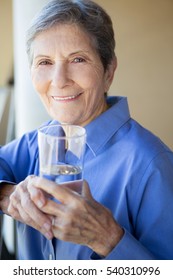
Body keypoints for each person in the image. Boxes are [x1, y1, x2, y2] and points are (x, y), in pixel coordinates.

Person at [0, 0, 173, 260]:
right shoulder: (37, 142)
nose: (59, 80)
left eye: (78, 59)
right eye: (45, 62)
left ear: (109, 71)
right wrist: (7, 195)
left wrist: (107, 239)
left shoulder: (152, 164)